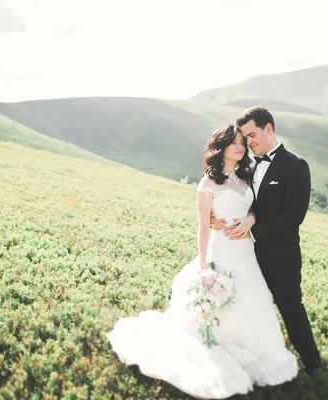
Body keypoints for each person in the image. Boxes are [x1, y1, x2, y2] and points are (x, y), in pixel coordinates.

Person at [107, 125, 298, 399]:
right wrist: (204, 266)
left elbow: (255, 209)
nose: (240, 146)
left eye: (242, 142)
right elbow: (202, 228)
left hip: (245, 250)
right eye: (234, 142)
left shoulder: (246, 177)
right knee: (222, 303)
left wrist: (251, 220)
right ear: (220, 147)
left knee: (252, 300)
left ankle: (258, 349)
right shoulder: (208, 184)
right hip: (221, 249)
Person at [213, 106, 322, 375]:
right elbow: (237, 197)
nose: (248, 143)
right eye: (245, 138)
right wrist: (218, 215)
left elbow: (293, 215)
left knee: (290, 308)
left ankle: (313, 363)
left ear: (269, 129)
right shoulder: (247, 165)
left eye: (252, 135)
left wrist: (253, 229)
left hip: (280, 255)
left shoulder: (296, 165)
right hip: (244, 254)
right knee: (247, 307)